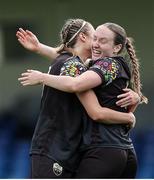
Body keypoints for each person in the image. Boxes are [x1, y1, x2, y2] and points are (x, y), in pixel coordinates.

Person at [17, 19, 141, 178]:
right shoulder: (93, 65)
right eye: (94, 38)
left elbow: (77, 86)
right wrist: (39, 47)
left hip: (102, 150)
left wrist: (42, 77)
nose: (95, 43)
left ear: (117, 47)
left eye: (101, 40)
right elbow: (69, 60)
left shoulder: (101, 65)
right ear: (83, 37)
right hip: (124, 151)